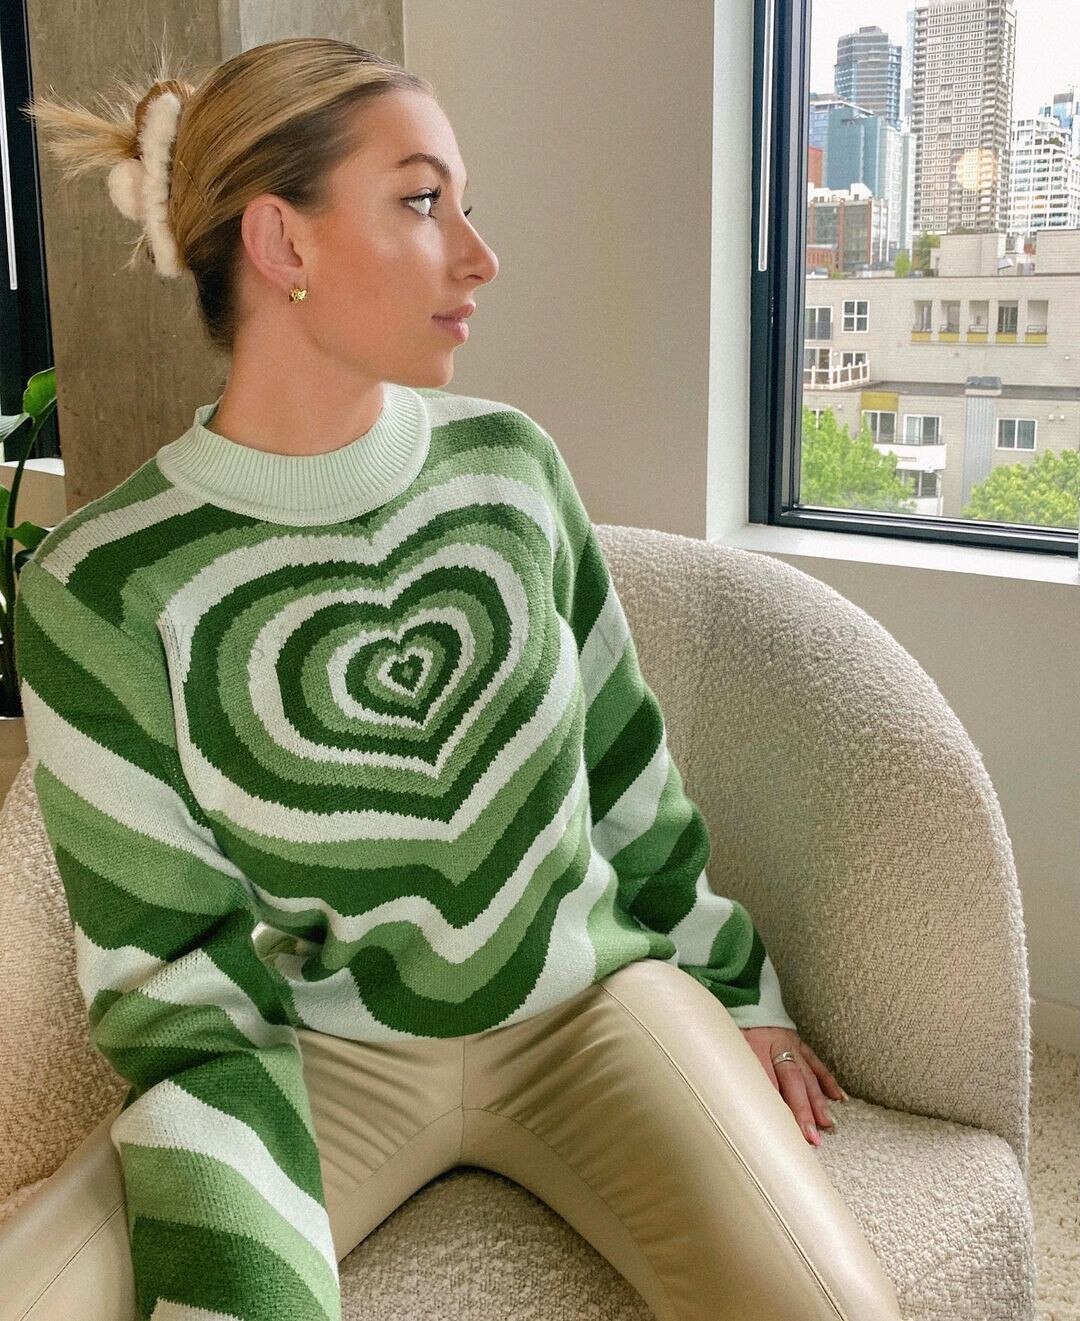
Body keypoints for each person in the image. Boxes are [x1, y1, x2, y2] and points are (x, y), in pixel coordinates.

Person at [3, 35, 904, 1321]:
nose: (479, 255)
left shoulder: (512, 467)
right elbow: (166, 968)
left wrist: (733, 984)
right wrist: (239, 1277)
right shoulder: (100, 586)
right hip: (311, 1054)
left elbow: (624, 766)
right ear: (283, 241)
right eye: (424, 202)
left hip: (590, 1009)